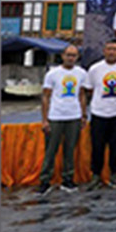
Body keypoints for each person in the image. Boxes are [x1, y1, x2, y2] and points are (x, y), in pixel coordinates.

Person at [37, 45, 89, 195]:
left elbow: (81, 95)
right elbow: (46, 97)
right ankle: (45, 180)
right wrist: (45, 119)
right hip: (55, 116)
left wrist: (84, 115)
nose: (70, 58)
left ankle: (68, 179)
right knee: (51, 150)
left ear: (77, 57)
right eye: (68, 55)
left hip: (74, 116)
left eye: (74, 55)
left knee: (70, 150)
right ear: (62, 56)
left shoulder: (81, 73)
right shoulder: (53, 74)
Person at [86, 40, 116, 190]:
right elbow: (90, 89)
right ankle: (96, 175)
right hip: (99, 112)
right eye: (109, 49)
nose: (111, 52)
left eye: (115, 49)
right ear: (104, 51)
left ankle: (114, 174)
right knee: (97, 146)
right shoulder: (95, 69)